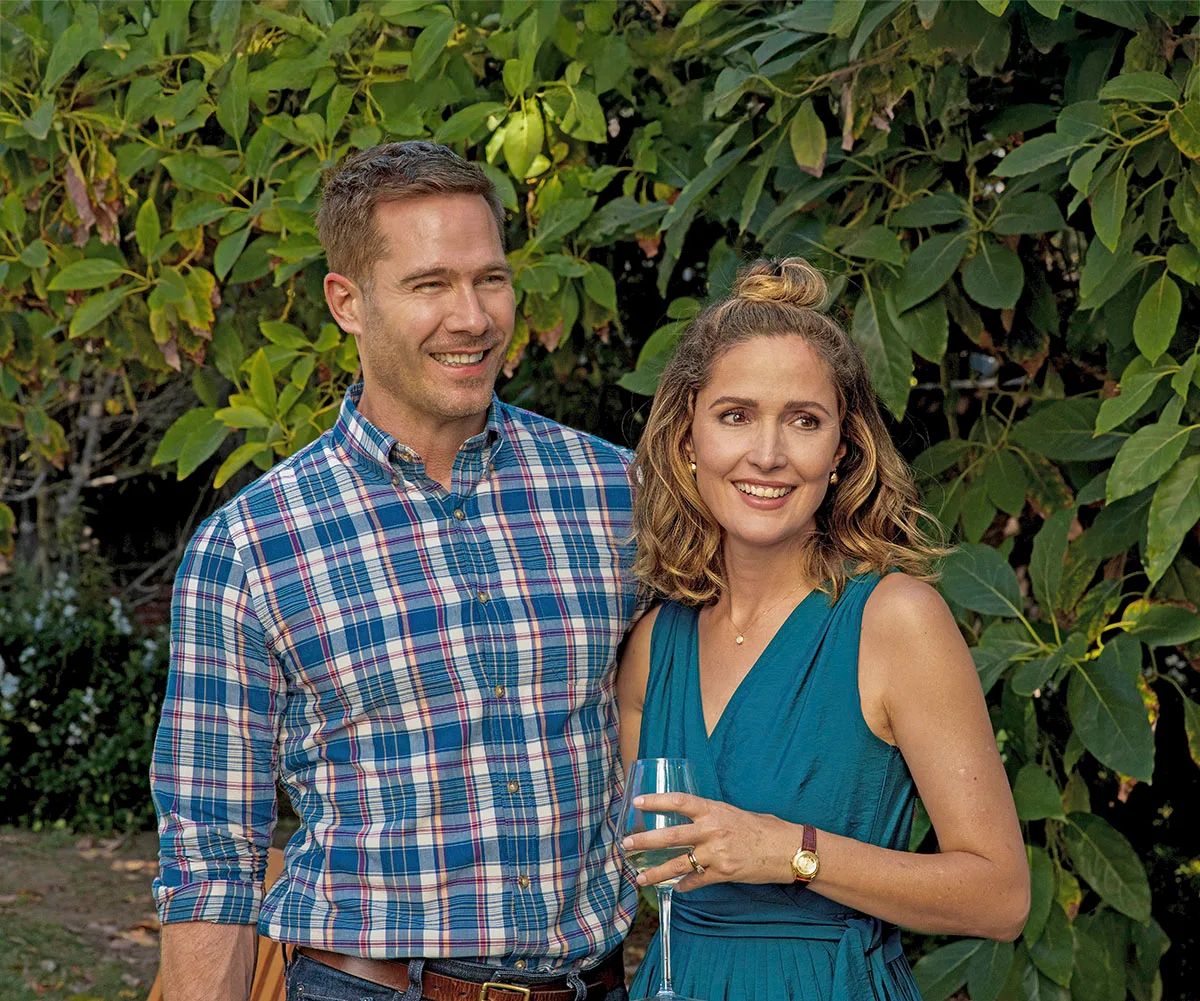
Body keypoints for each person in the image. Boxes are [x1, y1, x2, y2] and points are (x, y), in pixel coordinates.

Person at [150, 142, 639, 1001]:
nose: (473, 317)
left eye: (490, 279)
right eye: (430, 284)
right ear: (348, 301)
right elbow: (211, 853)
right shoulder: (255, 547)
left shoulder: (613, 492)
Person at [616, 258, 1029, 1000]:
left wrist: (791, 851)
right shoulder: (654, 646)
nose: (768, 454)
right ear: (687, 438)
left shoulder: (894, 619)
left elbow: (1000, 897)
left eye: (804, 421)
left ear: (841, 451)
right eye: (736, 414)